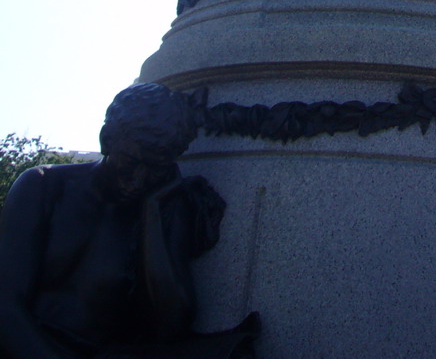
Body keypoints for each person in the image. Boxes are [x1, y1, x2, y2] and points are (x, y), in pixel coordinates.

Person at [0, 83, 258, 359]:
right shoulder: (44, 186)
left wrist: (152, 213)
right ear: (106, 139)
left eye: (156, 168)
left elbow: (173, 325)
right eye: (132, 163)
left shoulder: (166, 204)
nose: (139, 181)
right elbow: (5, 306)